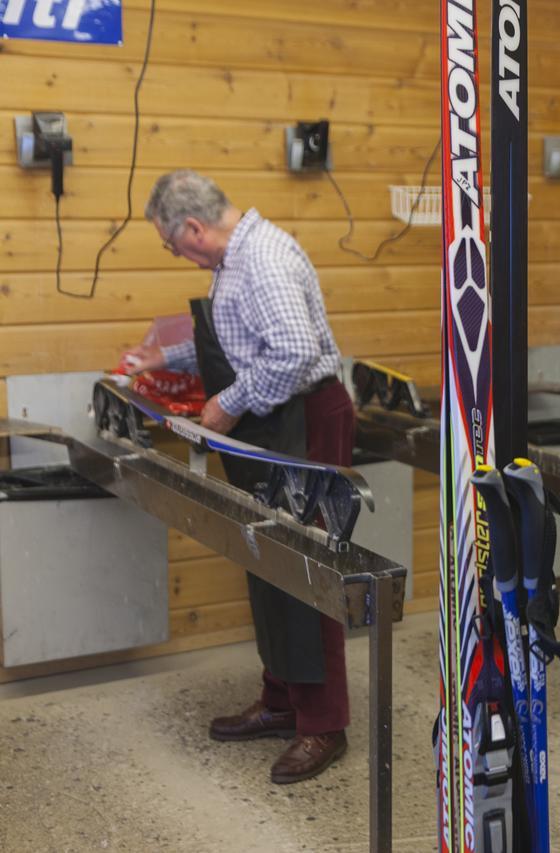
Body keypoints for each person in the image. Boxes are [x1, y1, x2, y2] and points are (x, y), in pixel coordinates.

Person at [122, 170, 352, 784]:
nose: (176, 254)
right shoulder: (233, 262)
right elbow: (239, 344)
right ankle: (282, 701)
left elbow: (294, 353)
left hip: (300, 419)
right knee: (266, 563)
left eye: (173, 244)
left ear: (193, 228)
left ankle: (324, 724)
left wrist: (227, 402)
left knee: (307, 573)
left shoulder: (265, 259)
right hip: (269, 421)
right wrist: (162, 359)